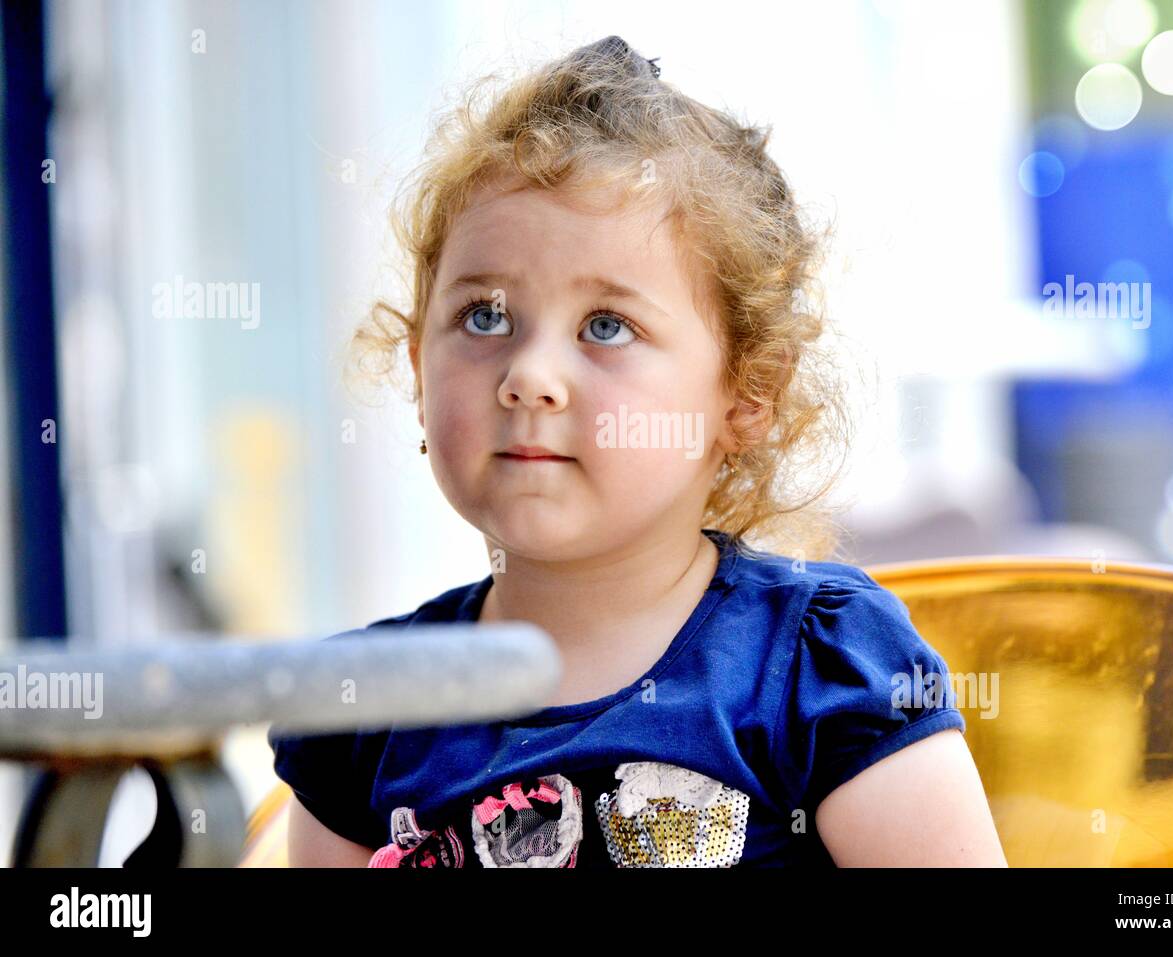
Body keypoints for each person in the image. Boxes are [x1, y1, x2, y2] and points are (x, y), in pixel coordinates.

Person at [268, 35, 1006, 868]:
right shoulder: (366, 714)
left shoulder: (817, 670)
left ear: (746, 393)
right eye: (484, 316)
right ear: (416, 365)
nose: (529, 377)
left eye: (607, 327)